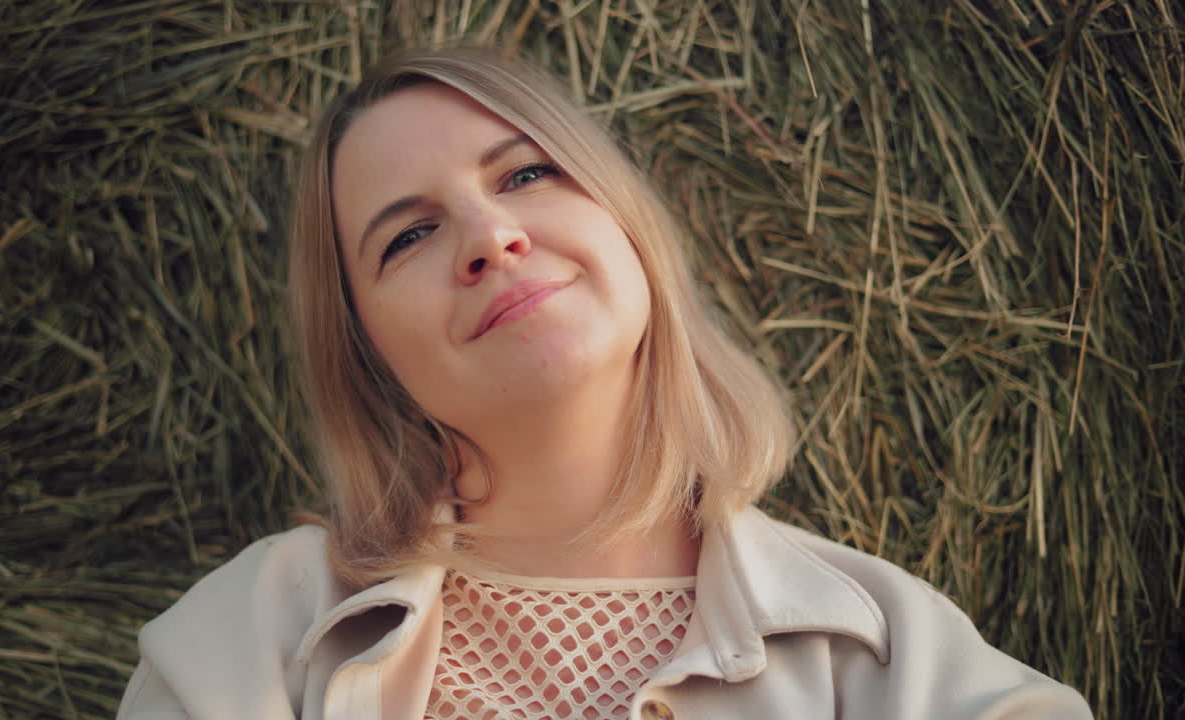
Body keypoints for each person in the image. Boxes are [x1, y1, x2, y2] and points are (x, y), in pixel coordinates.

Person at [116, 48, 1093, 720]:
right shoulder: (239, 649)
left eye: (525, 175)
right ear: (364, 347)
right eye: (408, 235)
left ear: (628, 226)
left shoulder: (893, 657)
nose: (490, 237)